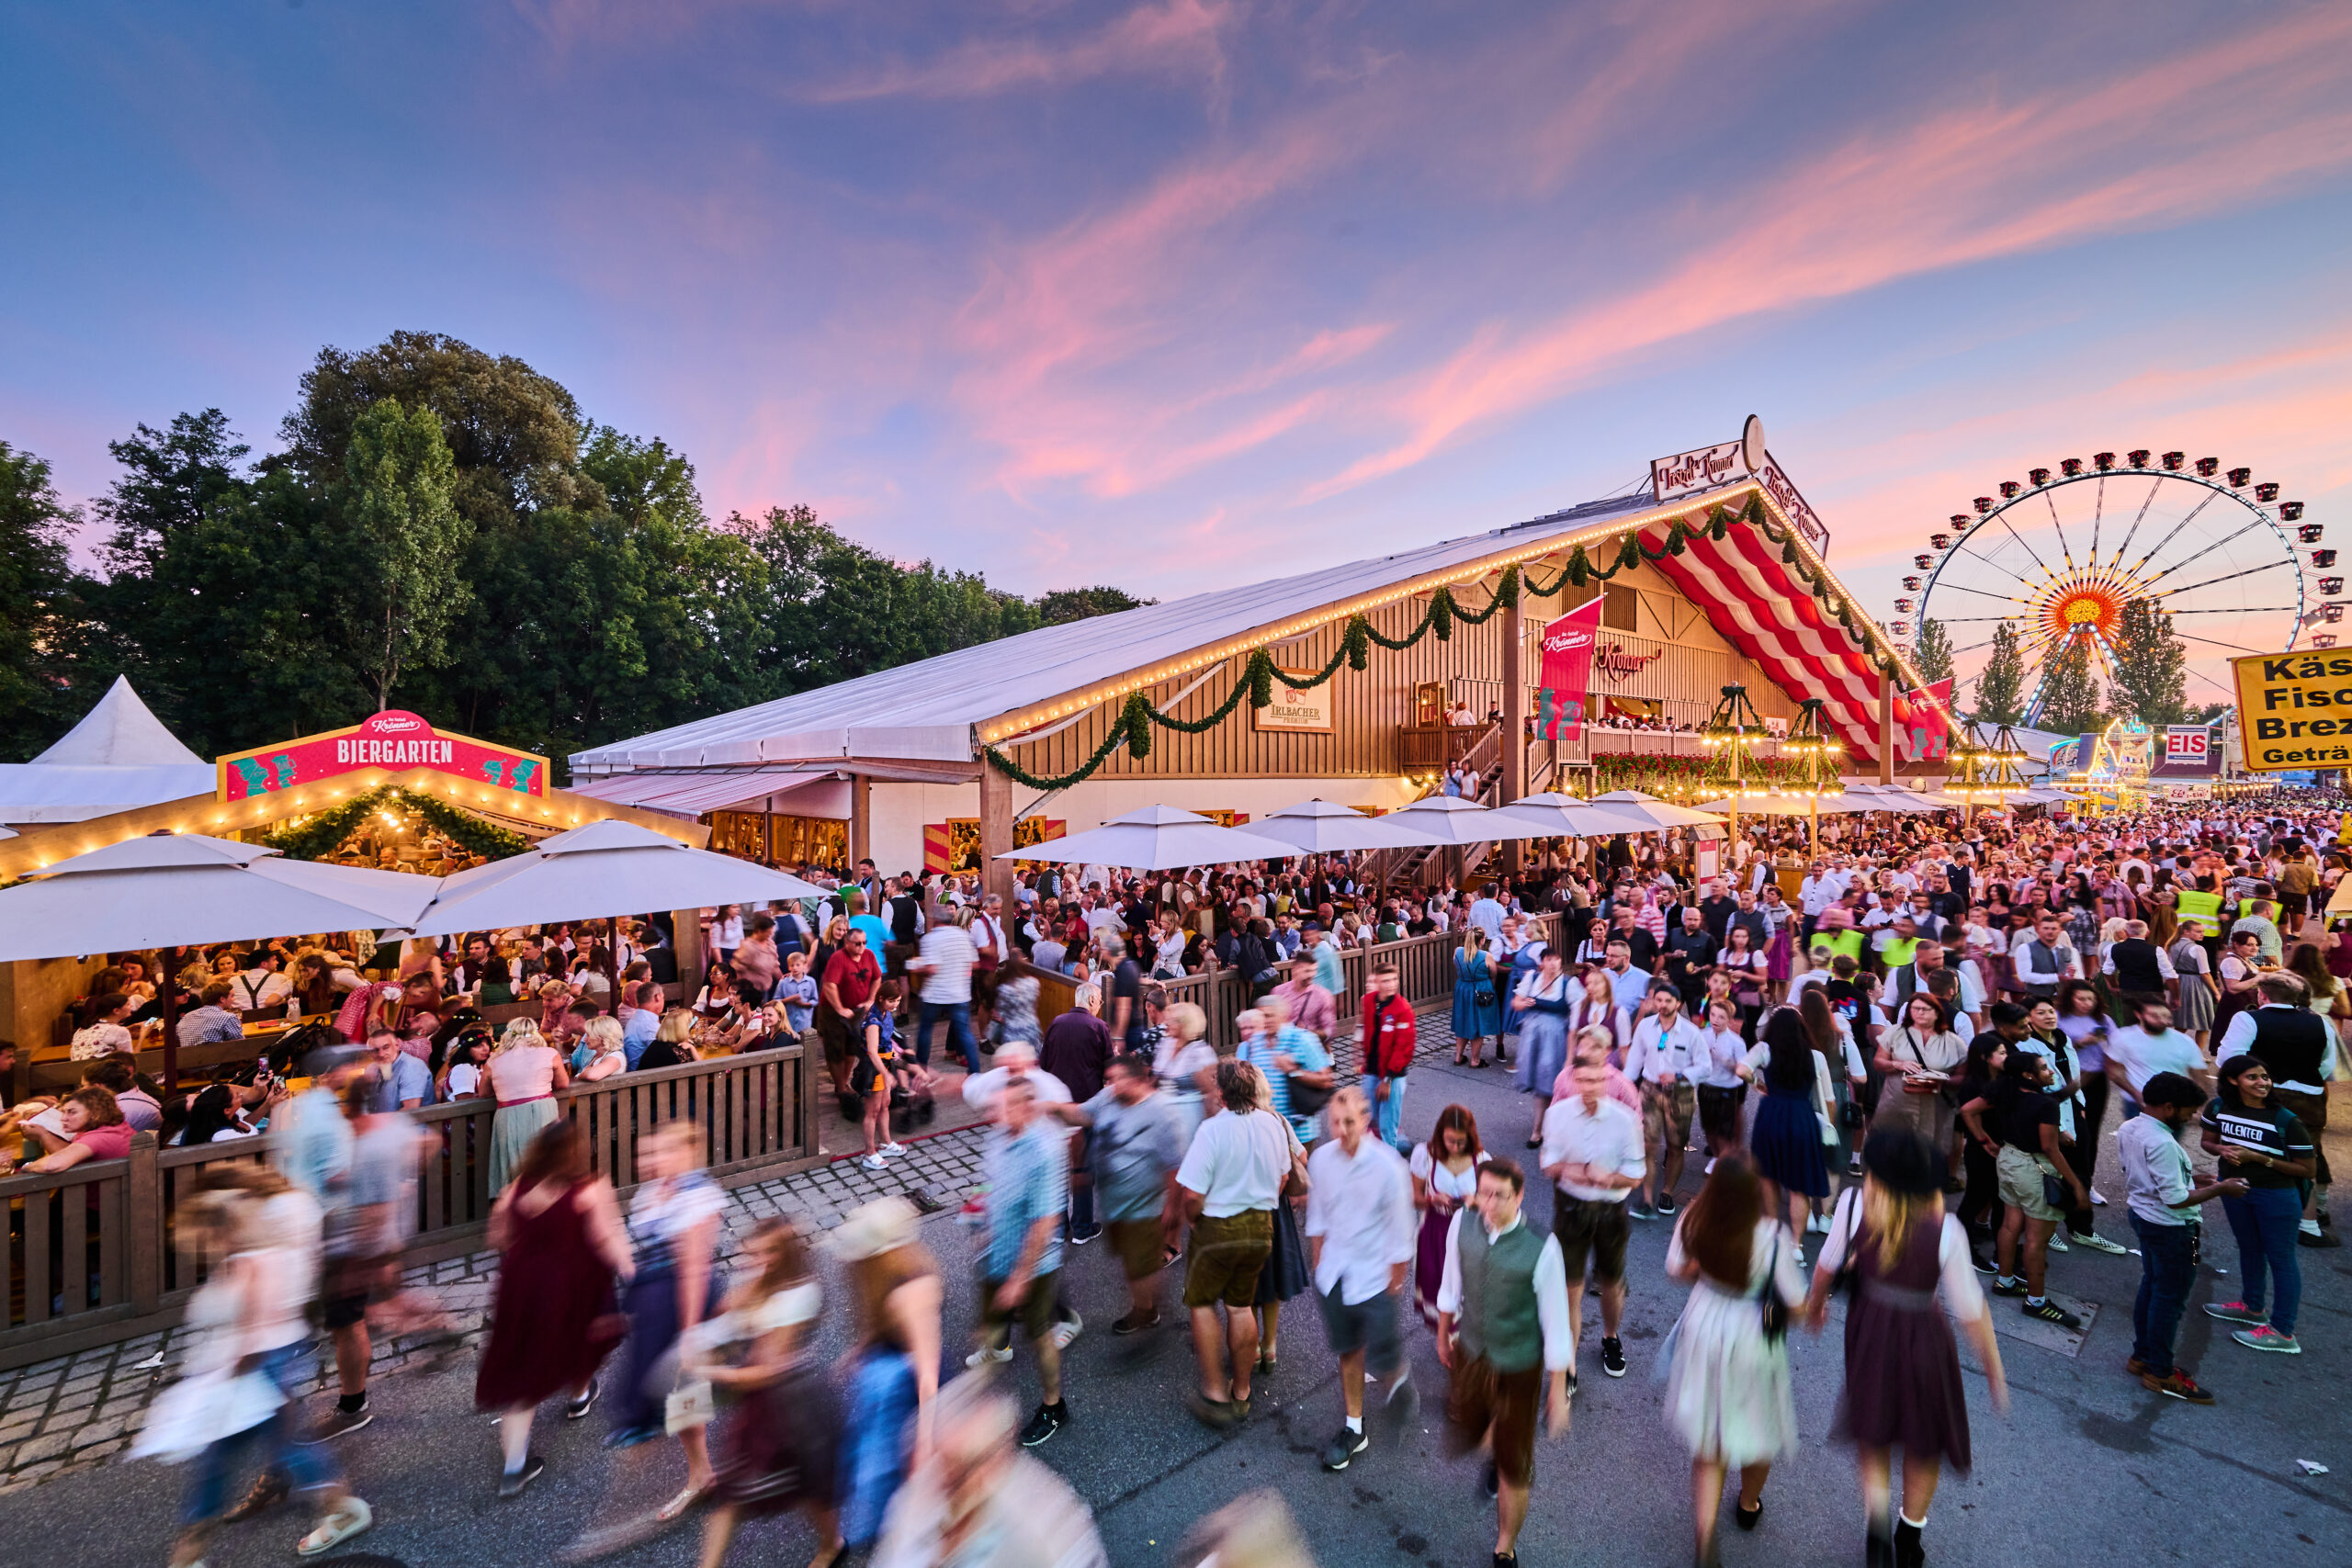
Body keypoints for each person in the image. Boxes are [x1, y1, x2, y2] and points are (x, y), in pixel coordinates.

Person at [1804, 1130, 2005, 1568]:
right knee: (1923, 1441)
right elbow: (1971, 1309)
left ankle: (1876, 1528)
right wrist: (1993, 1370)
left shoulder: (1855, 1207)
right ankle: (1910, 1534)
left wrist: (1815, 1307)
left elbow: (1826, 1265)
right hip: (1924, 1339)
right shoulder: (1945, 1230)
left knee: (1873, 1433)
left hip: (1870, 1330)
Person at [163, 1179, 373, 1566]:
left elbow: (253, 1332)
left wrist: (228, 1377)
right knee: (279, 1447)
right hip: (254, 1367)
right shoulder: (253, 1258)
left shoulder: (254, 1264)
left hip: (253, 1370)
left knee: (225, 1459)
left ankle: (189, 1554)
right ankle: (342, 1507)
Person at [1660, 1154, 1806, 1568]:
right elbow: (1795, 1306)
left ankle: (1705, 1534)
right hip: (1752, 1335)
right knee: (1761, 1426)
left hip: (1705, 1323)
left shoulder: (1693, 1220)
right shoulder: (1770, 1235)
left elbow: (1676, 1269)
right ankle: (1747, 1504)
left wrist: (1705, 1266)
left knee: (1710, 1440)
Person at [476, 1120, 631, 1496]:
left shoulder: (517, 1188)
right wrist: (636, 1276)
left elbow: (498, 1236)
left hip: (521, 1287)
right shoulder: (590, 1188)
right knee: (580, 1341)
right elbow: (608, 1238)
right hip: (573, 1285)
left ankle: (514, 1469)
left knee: (522, 1371)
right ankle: (579, 1396)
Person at [1434, 1159, 1573, 1568]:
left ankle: (1505, 1547)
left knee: (1515, 1465)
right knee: (1469, 1430)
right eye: (1484, 1193)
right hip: (1472, 1352)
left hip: (1519, 1367)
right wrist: (1444, 1333)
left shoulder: (1542, 1247)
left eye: (1501, 1196)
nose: (1490, 1204)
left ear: (1521, 1196)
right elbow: (1449, 1285)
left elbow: (1556, 1323)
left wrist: (1559, 1389)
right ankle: (1494, 1442)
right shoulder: (1463, 1222)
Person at [687, 1219, 845, 1568]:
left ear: (780, 1256)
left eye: (759, 1254)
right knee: (733, 1494)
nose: (748, 1261)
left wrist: (712, 1372)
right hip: (759, 1403)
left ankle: (832, 1543)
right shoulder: (753, 1281)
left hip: (792, 1404)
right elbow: (725, 1318)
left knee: (808, 1485)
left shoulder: (797, 1297)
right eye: (747, 1254)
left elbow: (767, 1372)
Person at [606, 1120, 724, 1524]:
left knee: (671, 1392)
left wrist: (690, 1333)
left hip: (682, 1303)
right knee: (674, 1396)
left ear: (684, 1153)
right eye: (645, 1153)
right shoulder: (651, 1193)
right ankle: (702, 1473)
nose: (648, 1160)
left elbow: (694, 1271)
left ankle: (616, 1511)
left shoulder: (699, 1199)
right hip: (654, 1301)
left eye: (658, 1152)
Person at [1176, 1060, 1304, 1429]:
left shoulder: (1211, 1131)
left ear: (1221, 1093)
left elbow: (1192, 1194)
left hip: (1218, 1227)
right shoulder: (1273, 1124)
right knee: (1239, 1306)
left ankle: (1215, 1391)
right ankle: (1243, 1392)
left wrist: (1195, 1218)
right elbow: (1283, 1176)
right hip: (1261, 1227)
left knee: (1201, 1303)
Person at [866, 1374, 1108, 1568]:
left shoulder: (1051, 1531)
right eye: (941, 1460)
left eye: (961, 1468)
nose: (943, 1478)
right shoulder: (920, 1494)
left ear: (998, 1459)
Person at [1305, 1087, 1418, 1472]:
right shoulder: (1320, 1160)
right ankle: (1355, 1428)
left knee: (1383, 1359)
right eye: (1334, 1122)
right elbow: (1317, 1216)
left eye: (1348, 1122)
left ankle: (1397, 1382)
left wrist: (1395, 1284)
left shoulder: (1389, 1167)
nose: (1340, 1130)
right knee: (1349, 1350)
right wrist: (1319, 1265)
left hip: (1375, 1279)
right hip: (1335, 1275)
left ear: (1366, 1121)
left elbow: (1403, 1233)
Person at [2119, 1072, 2247, 1403]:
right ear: (2168, 1107)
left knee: (2153, 1285)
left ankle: (2142, 1356)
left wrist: (2194, 1178)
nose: (2192, 1118)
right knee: (2170, 1299)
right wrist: (2222, 1187)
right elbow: (2175, 1199)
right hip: (2172, 1228)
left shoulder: (2132, 1126)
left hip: (2143, 1217)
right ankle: (2160, 1372)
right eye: (2189, 1112)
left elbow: (2150, 1177)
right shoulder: (2161, 1141)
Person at [831, 1197, 944, 1557]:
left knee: (900, 1472)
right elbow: (879, 1322)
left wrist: (925, 1442)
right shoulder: (881, 1277)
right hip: (885, 1381)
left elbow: (929, 1373)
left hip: (909, 1390)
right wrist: (858, 1352)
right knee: (876, 1465)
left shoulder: (913, 1290)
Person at [973, 1076, 1073, 1446]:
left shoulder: (1045, 1151)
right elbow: (988, 1182)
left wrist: (1020, 1278)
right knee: (989, 1323)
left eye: (1008, 1106)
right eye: (998, 1105)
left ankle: (1054, 1407)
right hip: (998, 1251)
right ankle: (991, 1368)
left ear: (1028, 1107)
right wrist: (981, 1210)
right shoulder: (1000, 1136)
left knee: (1039, 1333)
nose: (998, 1112)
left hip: (1033, 1264)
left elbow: (1044, 1222)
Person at [1056, 1054, 1186, 1334]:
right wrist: (1046, 1106)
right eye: (1109, 1080)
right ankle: (1151, 1304)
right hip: (1114, 1203)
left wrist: (1171, 1210)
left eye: (1119, 1080)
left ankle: (1148, 1312)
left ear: (1138, 1080)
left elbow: (1175, 1167)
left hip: (1145, 1205)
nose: (1113, 1086)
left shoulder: (1161, 1111)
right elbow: (1081, 1114)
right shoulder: (1108, 1097)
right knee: (1131, 1260)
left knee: (1140, 1265)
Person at [2199, 1054, 2315, 1354]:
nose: (2262, 1082)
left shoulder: (2286, 1121)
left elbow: (2307, 1170)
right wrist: (2221, 1149)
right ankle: (2252, 1308)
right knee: (2249, 1248)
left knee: (2281, 1259)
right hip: (2236, 1191)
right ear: (2232, 1080)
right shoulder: (2217, 1107)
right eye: (2253, 1077)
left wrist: (2259, 1158)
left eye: (2265, 1077)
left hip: (2276, 1196)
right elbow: (2207, 1143)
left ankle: (2283, 1332)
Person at [1539, 1052, 1645, 1382]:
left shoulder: (1624, 1119)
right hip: (1571, 1207)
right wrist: (1585, 1172)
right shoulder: (1556, 1115)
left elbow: (1636, 1173)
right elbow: (1548, 1164)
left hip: (1611, 1211)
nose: (1590, 1087)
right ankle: (1568, 1362)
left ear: (1606, 1080)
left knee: (1611, 1283)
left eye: (1597, 1081)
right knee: (1571, 1286)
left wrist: (1610, 1178)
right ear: (1573, 1080)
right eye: (1583, 1080)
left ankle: (1610, 1338)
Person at [1962, 1051, 2086, 1328]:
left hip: (2009, 1160)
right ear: (2029, 1075)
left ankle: (2005, 1281)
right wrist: (2076, 1185)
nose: (2051, 1071)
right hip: (2035, 1169)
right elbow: (2050, 1149)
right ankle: (2037, 1301)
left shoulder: (2003, 1091)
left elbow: (1968, 1110)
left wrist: (1985, 1142)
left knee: (2010, 1225)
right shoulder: (2045, 1105)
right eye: (2044, 1068)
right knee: (2036, 1240)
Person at [2215, 973, 2337, 1247]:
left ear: (2262, 995)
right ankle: (2308, 1225)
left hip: (2262, 1095)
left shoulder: (2248, 1019)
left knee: (2256, 1152)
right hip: (2309, 1097)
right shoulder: (2321, 1023)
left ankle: (2258, 1208)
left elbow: (2229, 1058)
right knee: (2306, 1157)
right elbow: (2327, 1067)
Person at [1625, 986, 1703, 1219]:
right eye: (1658, 1000)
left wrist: (1679, 1076)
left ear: (1678, 1003)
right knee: (1647, 1145)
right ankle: (1647, 1198)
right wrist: (1624, 1090)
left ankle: (1667, 1192)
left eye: (1668, 1000)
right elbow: (1633, 1063)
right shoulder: (1645, 1028)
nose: (1662, 1005)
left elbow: (1704, 1066)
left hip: (1679, 1094)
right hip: (1649, 1090)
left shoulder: (1691, 1032)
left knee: (1675, 1147)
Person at [1411, 1104, 1487, 1326]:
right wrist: (1430, 1200)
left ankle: (1464, 1337)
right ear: (1440, 1134)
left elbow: (1493, 1204)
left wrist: (1475, 1202)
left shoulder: (1482, 1160)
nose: (1454, 1146)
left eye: (1460, 1141)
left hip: (1469, 1232)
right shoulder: (1424, 1154)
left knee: (1468, 1287)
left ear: (1470, 1137)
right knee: (1439, 1287)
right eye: (1449, 1140)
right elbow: (1412, 1198)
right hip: (1435, 1231)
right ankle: (1447, 1339)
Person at [480, 1018, 570, 1195]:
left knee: (514, 1159)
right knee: (546, 1155)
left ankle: (516, 1198)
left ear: (508, 1034)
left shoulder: (494, 1061)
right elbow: (563, 1083)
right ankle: (550, 1196)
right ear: (535, 1033)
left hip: (508, 1111)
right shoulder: (549, 1054)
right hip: (543, 1107)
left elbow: (483, 1092)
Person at [909, 911, 980, 1072]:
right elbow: (975, 964)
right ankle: (975, 1072)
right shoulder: (964, 936)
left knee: (926, 1030)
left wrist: (915, 967)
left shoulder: (930, 938)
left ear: (936, 921)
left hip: (935, 994)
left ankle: (921, 1067)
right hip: (960, 992)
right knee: (965, 1033)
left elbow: (932, 968)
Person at [1361, 962, 1419, 1151]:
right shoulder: (1368, 1001)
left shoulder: (1403, 1009)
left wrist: (1388, 1080)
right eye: (1385, 980)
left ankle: (1390, 1162)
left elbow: (1404, 1048)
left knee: (1387, 1125)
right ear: (1376, 981)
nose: (1391, 984)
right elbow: (1364, 1030)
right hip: (1371, 1071)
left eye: (1394, 979)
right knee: (1368, 1120)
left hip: (1392, 1076)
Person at [1453, 928, 1505, 1068]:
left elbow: (1457, 967)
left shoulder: (1457, 952)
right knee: (1478, 1024)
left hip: (1462, 989)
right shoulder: (1485, 956)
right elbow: (1493, 974)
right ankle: (1475, 1060)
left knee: (1463, 1022)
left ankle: (1458, 1056)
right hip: (1481, 990)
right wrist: (1490, 987)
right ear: (1482, 940)